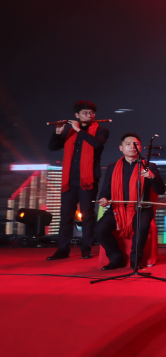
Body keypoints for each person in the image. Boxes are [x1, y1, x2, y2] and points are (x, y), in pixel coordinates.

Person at [47, 100, 110, 261]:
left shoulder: (101, 130)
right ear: (76, 115)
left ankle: (86, 247)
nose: (89, 115)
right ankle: (62, 249)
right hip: (69, 179)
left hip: (88, 179)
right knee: (66, 215)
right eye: (85, 113)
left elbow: (97, 145)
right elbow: (53, 147)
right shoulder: (70, 131)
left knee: (88, 214)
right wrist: (58, 132)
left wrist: (78, 130)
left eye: (91, 113)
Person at [95, 133, 166, 271]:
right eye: (128, 144)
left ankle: (136, 260)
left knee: (141, 226)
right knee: (99, 229)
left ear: (140, 148)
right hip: (118, 208)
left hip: (142, 208)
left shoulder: (149, 166)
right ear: (121, 148)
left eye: (136, 144)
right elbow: (105, 190)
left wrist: (152, 177)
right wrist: (103, 199)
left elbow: (161, 190)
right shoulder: (112, 167)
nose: (132, 147)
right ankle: (116, 258)